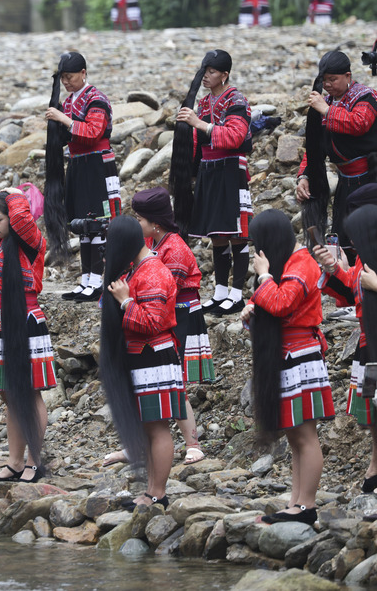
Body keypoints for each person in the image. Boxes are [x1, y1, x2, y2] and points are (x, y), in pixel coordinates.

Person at [103, 188, 213, 467]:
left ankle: (192, 444)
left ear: (155, 223)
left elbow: (161, 301)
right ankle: (138, 443)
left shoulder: (172, 250)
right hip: (166, 315)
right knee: (165, 384)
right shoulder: (155, 247)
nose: (137, 225)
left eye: (139, 219)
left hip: (180, 316)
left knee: (175, 381)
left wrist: (128, 301)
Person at [241, 209, 333, 525]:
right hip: (290, 355)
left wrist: (264, 276)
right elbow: (275, 307)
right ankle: (295, 502)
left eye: (259, 244)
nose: (258, 252)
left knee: (305, 435)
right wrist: (254, 309)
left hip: (301, 357)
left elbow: (281, 304)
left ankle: (306, 506)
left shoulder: (304, 263)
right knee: (296, 435)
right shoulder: (291, 262)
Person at [0, 188, 55, 482]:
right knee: (10, 393)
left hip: (24, 319)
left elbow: (18, 215)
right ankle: (15, 461)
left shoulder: (31, 242)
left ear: (14, 219)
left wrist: (13, 196)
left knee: (29, 391)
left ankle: (34, 461)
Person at [101, 216, 186, 508]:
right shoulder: (140, 267)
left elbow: (151, 322)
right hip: (146, 357)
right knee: (150, 427)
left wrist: (126, 302)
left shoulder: (152, 272)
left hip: (155, 356)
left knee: (157, 428)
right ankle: (151, 491)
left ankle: (158, 493)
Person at [173, 50, 252, 315]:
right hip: (209, 169)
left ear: (225, 75)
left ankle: (238, 294)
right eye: (205, 71)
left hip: (231, 169)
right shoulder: (206, 102)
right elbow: (197, 142)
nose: (206, 76)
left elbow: (236, 137)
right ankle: (219, 292)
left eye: (212, 72)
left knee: (237, 233)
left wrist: (199, 124)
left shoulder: (237, 100)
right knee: (216, 234)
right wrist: (191, 170)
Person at [44, 52, 120, 302]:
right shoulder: (69, 102)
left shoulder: (96, 99)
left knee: (97, 221)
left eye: (71, 77)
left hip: (97, 162)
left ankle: (97, 280)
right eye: (63, 78)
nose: (66, 82)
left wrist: (62, 119)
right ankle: (86, 278)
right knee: (82, 223)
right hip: (78, 163)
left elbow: (93, 132)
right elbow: (70, 135)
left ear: (84, 73)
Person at [315, 191, 377, 494]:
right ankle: (376, 460)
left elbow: (365, 285)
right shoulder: (366, 254)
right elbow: (352, 292)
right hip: (370, 340)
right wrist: (332, 268)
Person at [297, 51, 377, 265]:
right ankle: (347, 291)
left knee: (367, 235)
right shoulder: (326, 103)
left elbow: (360, 123)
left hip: (370, 180)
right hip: (345, 183)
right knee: (342, 240)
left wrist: (327, 110)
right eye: (325, 80)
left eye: (333, 79)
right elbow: (314, 147)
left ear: (348, 76)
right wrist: (304, 175)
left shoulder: (365, 96)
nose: (328, 84)